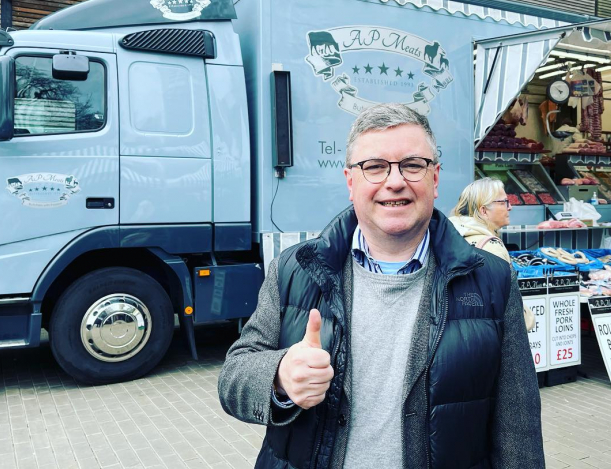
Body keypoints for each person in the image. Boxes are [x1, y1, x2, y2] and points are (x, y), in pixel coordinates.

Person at [218, 103, 544, 469]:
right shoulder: (294, 271)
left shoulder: (493, 280)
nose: (395, 181)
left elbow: (519, 427)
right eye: (374, 167)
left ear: (435, 179)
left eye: (413, 165)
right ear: (350, 182)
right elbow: (233, 378)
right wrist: (280, 377)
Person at [448, 178, 535, 332]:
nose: (511, 207)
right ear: (484, 210)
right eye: (504, 202)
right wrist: (529, 320)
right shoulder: (492, 247)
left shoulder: (450, 237)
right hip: (487, 335)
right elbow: (510, 307)